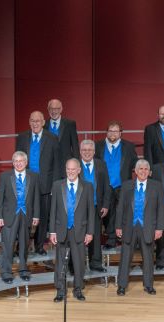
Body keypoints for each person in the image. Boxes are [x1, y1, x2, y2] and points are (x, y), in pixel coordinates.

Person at [115, 160, 164, 296]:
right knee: (125, 258)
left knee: (148, 258)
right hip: (129, 227)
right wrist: (118, 226)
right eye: (140, 169)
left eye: (145, 169)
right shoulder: (126, 186)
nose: (143, 171)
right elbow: (120, 209)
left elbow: (161, 209)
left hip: (148, 227)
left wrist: (159, 228)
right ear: (135, 171)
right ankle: (122, 286)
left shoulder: (156, 186)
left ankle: (148, 285)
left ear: (149, 172)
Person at [49, 159, 95, 302]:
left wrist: (90, 232)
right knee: (60, 263)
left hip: (79, 230)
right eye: (68, 169)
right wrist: (52, 231)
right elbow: (53, 210)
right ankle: (60, 291)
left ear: (79, 170)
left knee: (79, 262)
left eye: (73, 169)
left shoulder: (87, 186)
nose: (70, 172)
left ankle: (78, 289)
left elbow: (91, 212)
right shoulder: (57, 185)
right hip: (61, 229)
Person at [15, 111, 60, 255]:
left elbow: (57, 164)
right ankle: (22, 246)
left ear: (43, 122)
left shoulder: (52, 138)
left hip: (45, 184)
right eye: (32, 121)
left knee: (43, 216)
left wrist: (54, 185)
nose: (35, 123)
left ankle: (40, 246)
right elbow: (17, 160)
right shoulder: (22, 137)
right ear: (29, 122)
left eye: (38, 121)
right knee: (24, 217)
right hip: (26, 184)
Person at [0, 151, 40, 283]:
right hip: (9, 215)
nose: (18, 163)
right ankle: (6, 272)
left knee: (24, 245)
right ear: (13, 163)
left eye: (21, 161)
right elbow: (0, 198)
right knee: (8, 245)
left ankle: (23, 270)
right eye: (16, 161)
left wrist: (36, 215)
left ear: (26, 162)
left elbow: (36, 197)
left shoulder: (34, 176)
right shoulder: (5, 176)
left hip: (26, 215)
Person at [95, 120, 139, 249]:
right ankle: (111, 239)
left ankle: (127, 238)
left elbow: (134, 162)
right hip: (104, 186)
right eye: (110, 130)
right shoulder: (98, 146)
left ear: (120, 133)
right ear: (106, 132)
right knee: (108, 213)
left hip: (122, 185)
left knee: (125, 212)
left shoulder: (129, 146)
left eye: (116, 131)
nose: (113, 133)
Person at [79, 140, 112, 272]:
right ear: (80, 151)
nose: (87, 152)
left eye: (89, 150)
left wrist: (105, 204)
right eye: (84, 150)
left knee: (96, 236)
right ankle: (76, 265)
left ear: (94, 151)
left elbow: (106, 186)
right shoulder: (74, 165)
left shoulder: (101, 164)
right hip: (78, 209)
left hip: (96, 206)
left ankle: (96, 263)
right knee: (78, 237)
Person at [44, 98, 80, 176]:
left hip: (65, 166)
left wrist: (77, 165)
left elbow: (75, 146)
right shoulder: (43, 125)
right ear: (48, 109)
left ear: (61, 109)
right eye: (51, 109)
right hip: (48, 166)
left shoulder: (70, 124)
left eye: (56, 109)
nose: (54, 111)